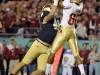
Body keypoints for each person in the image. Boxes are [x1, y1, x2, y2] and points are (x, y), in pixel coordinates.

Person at [10, 0, 60, 75]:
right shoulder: (45, 18)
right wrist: (56, 3)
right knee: (24, 63)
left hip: (47, 48)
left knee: (41, 71)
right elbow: (51, 14)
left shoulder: (54, 21)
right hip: (39, 44)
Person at [45, 0, 86, 75]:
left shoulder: (69, 3)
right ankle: (83, 73)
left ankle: (47, 72)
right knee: (76, 55)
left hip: (64, 29)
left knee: (52, 52)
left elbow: (59, 4)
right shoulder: (80, 6)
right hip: (72, 30)